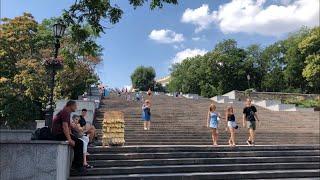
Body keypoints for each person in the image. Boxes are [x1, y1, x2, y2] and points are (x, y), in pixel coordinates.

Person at [52, 100, 85, 173]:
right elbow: (65, 126)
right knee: (80, 143)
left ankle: (76, 165)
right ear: (71, 106)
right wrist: (69, 139)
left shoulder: (65, 112)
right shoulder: (65, 112)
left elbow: (69, 126)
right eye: (75, 106)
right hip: (59, 134)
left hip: (59, 134)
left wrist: (72, 135)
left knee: (78, 142)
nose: (76, 108)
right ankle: (77, 166)